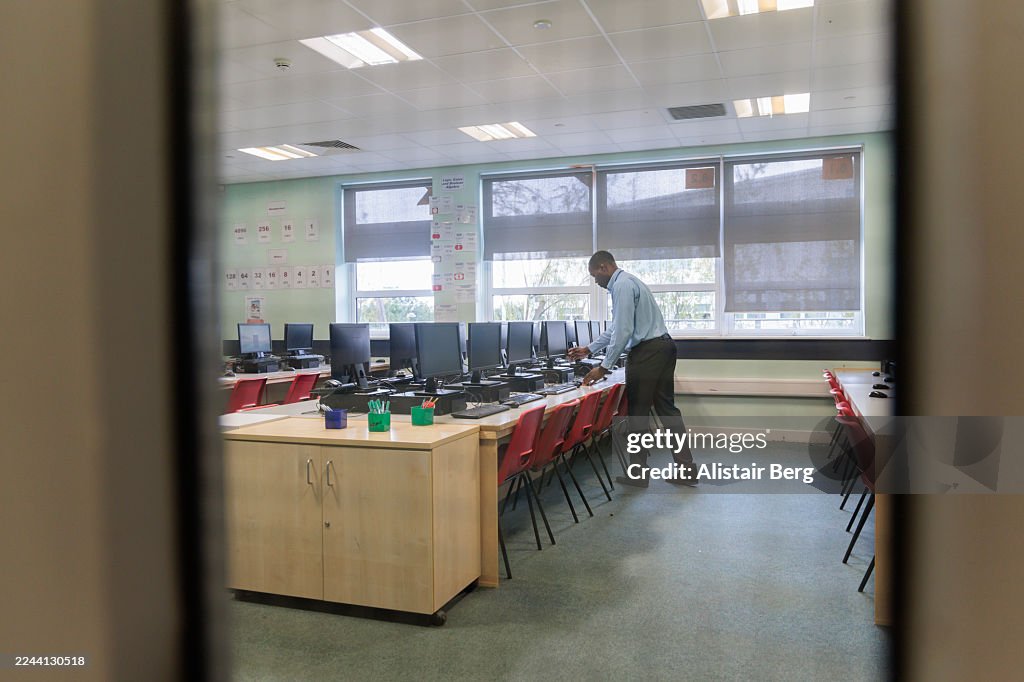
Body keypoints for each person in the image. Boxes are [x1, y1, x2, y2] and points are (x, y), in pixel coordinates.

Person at [568, 251, 696, 488]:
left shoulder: (622, 287)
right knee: (667, 410)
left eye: (595, 275)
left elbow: (624, 331)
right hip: (664, 347)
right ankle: (687, 468)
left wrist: (603, 368)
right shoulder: (629, 282)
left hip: (647, 352)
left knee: (638, 413)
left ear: (604, 267)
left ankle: (638, 475)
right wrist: (590, 349)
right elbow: (617, 329)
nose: (596, 282)